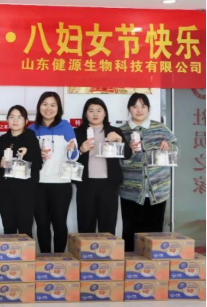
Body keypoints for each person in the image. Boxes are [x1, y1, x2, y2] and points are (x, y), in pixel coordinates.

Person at [120, 93, 178, 251]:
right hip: (131, 191)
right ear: (129, 109)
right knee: (130, 234)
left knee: (154, 236)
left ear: (148, 108)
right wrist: (128, 151)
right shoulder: (121, 131)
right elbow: (117, 161)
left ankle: (153, 265)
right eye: (135, 106)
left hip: (157, 191)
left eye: (143, 106)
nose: (139, 110)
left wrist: (169, 146)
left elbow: (176, 148)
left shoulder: (161, 128)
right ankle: (131, 264)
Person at [28, 91, 78, 253]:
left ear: (58, 108)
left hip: (61, 184)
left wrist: (71, 149)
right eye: (45, 104)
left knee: (59, 223)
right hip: (37, 184)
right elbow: (26, 157)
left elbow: (74, 156)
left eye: (52, 105)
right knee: (42, 224)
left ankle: (59, 259)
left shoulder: (65, 126)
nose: (48, 108)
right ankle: (45, 258)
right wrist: (37, 155)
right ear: (39, 107)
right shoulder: (31, 128)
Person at [74, 98, 131, 234]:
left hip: (109, 185)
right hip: (86, 184)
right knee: (85, 226)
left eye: (99, 110)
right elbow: (68, 157)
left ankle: (107, 248)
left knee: (108, 226)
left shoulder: (114, 131)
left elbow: (127, 154)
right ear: (85, 114)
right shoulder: (77, 132)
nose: (95, 114)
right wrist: (81, 150)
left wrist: (120, 141)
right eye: (91, 111)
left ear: (105, 114)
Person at [0, 105, 42, 238]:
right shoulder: (2, 140)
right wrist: (0, 164)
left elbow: (38, 164)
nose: (15, 120)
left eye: (19, 117)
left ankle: (26, 252)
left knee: (25, 229)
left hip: (26, 192)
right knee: (8, 228)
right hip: (5, 192)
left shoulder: (31, 138)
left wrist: (27, 154)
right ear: (7, 120)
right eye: (12, 117)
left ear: (26, 121)